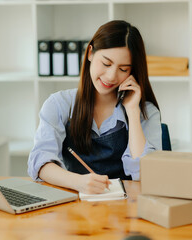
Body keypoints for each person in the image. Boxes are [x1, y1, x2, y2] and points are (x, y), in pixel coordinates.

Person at [28, 20, 162, 194]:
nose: (111, 76)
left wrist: (132, 112)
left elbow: (145, 174)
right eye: (106, 64)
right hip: (73, 206)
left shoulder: (145, 111)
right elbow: (40, 163)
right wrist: (78, 182)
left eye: (123, 69)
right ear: (90, 53)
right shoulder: (58, 104)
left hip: (126, 210)